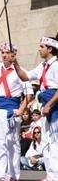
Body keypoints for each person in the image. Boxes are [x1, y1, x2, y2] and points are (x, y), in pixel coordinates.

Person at [0, 42, 33, 181]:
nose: (4, 55)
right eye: (2, 52)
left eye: (7, 53)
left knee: (12, 144)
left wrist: (21, 109)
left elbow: (29, 94)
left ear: (13, 54)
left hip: (13, 110)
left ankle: (12, 175)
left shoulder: (21, 71)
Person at [13, 37, 58, 181]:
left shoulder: (57, 65)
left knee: (55, 141)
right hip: (47, 105)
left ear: (50, 49)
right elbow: (25, 76)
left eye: (42, 46)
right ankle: (51, 175)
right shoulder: (43, 65)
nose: (39, 49)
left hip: (54, 105)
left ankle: (56, 175)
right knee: (47, 142)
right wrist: (16, 63)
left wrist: (49, 104)